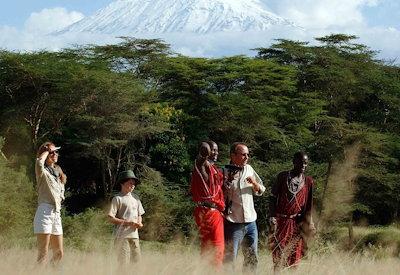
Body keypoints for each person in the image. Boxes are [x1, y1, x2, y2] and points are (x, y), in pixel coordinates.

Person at [269, 151, 316, 271]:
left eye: (305, 164)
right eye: (301, 163)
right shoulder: (283, 177)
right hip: (281, 221)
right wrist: (272, 216)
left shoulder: (308, 181)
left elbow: (309, 205)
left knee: (294, 258)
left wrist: (310, 223)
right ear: (294, 162)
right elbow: (273, 197)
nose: (303, 166)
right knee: (278, 256)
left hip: (297, 223)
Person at [223, 142, 265, 271]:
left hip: (251, 223)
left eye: (248, 154)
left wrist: (254, 184)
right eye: (243, 154)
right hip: (233, 222)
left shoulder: (249, 169)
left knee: (252, 257)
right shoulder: (223, 172)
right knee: (230, 258)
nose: (247, 157)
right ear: (233, 155)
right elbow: (220, 196)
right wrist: (227, 183)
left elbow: (261, 190)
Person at [190, 141, 225, 268]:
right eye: (213, 150)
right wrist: (204, 151)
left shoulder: (215, 170)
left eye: (216, 150)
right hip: (209, 212)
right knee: (216, 247)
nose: (215, 153)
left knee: (209, 246)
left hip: (213, 212)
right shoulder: (204, 166)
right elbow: (200, 161)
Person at [34, 141, 67, 265]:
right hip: (45, 212)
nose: (55, 154)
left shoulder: (58, 173)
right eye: (51, 152)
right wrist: (46, 150)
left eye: (56, 152)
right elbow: (38, 162)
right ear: (46, 154)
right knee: (43, 253)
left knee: (59, 253)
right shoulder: (42, 172)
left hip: (56, 213)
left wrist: (50, 150)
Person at [108, 170, 145, 265]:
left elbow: (139, 215)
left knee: (136, 263)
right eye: (130, 183)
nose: (133, 185)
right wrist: (127, 223)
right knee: (123, 264)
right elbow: (110, 218)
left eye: (134, 183)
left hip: (134, 236)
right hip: (121, 236)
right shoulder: (117, 198)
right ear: (122, 183)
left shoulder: (136, 198)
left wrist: (139, 223)